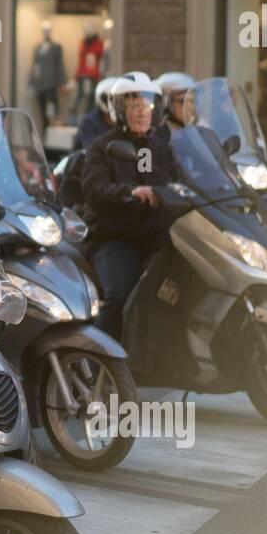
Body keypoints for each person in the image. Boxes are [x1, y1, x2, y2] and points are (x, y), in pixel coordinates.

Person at [81, 73, 179, 340]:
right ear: (119, 110)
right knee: (119, 294)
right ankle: (93, 361)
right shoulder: (101, 147)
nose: (141, 112)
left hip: (155, 235)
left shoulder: (161, 147)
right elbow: (93, 190)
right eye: (134, 105)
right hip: (115, 237)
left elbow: (180, 179)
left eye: (146, 105)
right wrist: (130, 192)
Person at [70, 24, 106, 122]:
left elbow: (101, 60)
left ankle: (89, 119)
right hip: (83, 75)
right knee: (79, 96)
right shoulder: (83, 43)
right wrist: (76, 75)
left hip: (93, 75)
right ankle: (73, 118)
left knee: (91, 98)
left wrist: (100, 74)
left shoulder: (99, 44)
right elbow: (81, 61)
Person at [75, 76, 120, 150]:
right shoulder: (89, 123)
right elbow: (92, 152)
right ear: (104, 99)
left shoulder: (124, 123)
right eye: (115, 100)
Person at [155, 71, 195, 139]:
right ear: (167, 104)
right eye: (182, 101)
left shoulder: (199, 133)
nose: (190, 107)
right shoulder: (156, 137)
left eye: (192, 101)